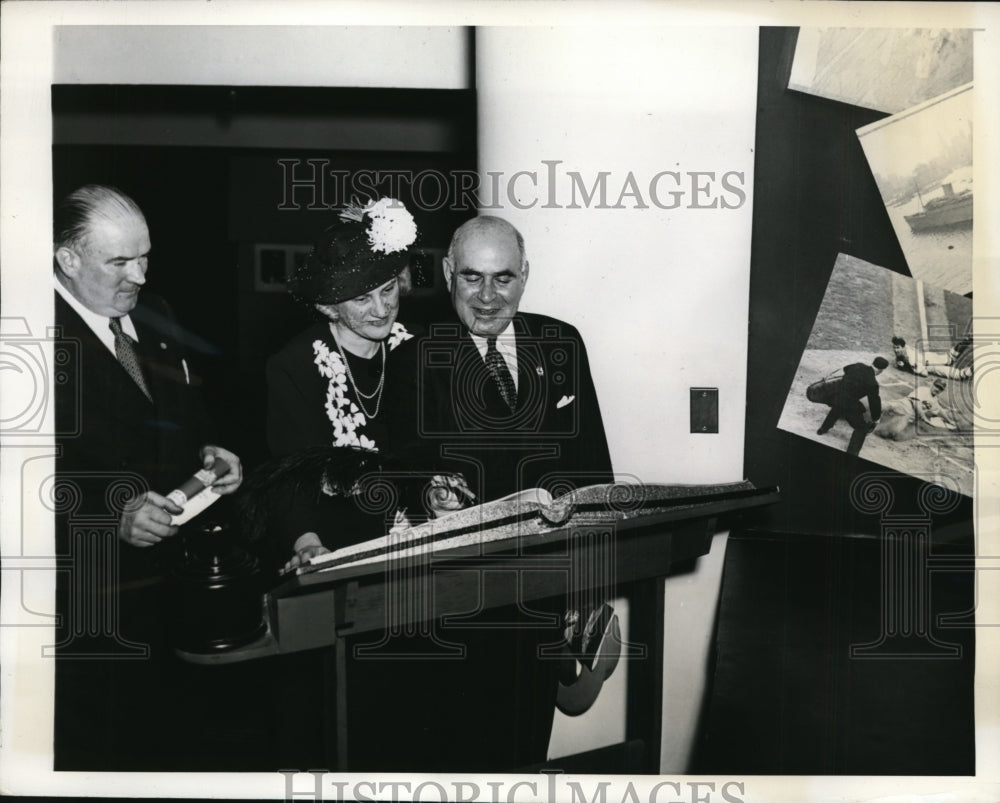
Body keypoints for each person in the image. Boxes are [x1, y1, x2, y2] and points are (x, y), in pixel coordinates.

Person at [52, 184, 243, 769]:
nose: (138, 275)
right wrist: (108, 515)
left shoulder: (155, 311)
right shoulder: (26, 333)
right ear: (67, 259)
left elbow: (185, 419)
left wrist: (213, 452)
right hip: (88, 608)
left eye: (144, 257)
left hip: (173, 595)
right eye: (119, 262)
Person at [423, 215, 614, 500]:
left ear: (524, 276)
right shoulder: (415, 361)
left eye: (502, 279)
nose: (487, 296)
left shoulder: (562, 342)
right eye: (472, 278)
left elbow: (595, 467)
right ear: (449, 274)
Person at [816, 356, 888, 456]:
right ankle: (852, 452)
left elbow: (846, 369)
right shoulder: (872, 383)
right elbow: (874, 401)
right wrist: (876, 417)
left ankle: (822, 430)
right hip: (849, 404)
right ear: (881, 371)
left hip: (837, 397)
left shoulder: (858, 365)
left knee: (836, 409)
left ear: (873, 363)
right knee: (861, 428)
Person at [892, 334, 972, 381]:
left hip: (932, 365)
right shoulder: (905, 347)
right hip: (929, 356)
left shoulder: (911, 360)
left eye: (897, 348)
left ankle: (974, 368)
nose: (895, 350)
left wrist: (908, 367)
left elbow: (925, 374)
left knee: (960, 375)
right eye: (894, 347)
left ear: (902, 347)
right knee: (949, 357)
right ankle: (966, 341)